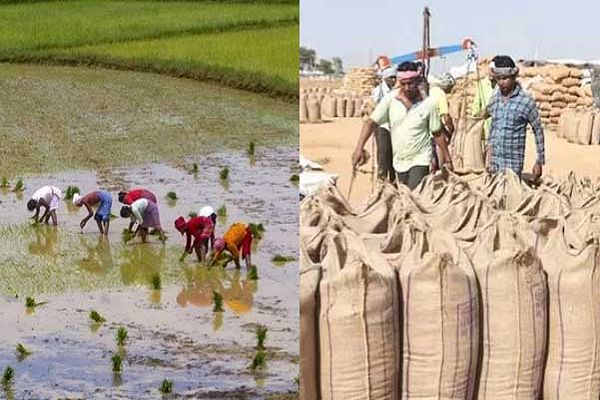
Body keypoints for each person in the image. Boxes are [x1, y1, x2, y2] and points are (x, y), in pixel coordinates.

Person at [352, 61, 452, 190]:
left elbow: (437, 133)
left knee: (413, 195)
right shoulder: (390, 100)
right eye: (403, 84)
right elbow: (371, 123)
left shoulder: (428, 104)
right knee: (404, 196)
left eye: (410, 83)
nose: (407, 88)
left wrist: (447, 159)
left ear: (417, 81)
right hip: (399, 161)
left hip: (421, 159)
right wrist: (359, 148)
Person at [484, 55, 545, 177]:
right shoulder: (494, 100)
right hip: (495, 164)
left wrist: (539, 160)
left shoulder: (525, 102)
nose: (502, 82)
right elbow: (493, 129)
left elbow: (538, 130)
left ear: (514, 77)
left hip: (513, 165)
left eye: (505, 78)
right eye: (499, 79)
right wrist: (488, 155)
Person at [371, 67, 397, 182]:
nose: (393, 79)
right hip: (382, 125)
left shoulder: (396, 90)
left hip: (395, 126)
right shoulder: (379, 90)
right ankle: (381, 179)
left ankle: (393, 180)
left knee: (393, 153)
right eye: (391, 77)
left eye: (394, 77)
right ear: (385, 78)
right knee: (383, 153)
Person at [428, 73, 456, 171]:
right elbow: (445, 115)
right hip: (437, 130)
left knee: (431, 158)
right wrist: (451, 130)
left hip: (426, 130)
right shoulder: (440, 93)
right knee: (440, 155)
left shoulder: (429, 91)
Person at [472, 58, 498, 148]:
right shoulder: (482, 84)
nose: (491, 73)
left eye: (493, 70)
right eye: (490, 70)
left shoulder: (501, 86)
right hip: (484, 128)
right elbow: (476, 105)